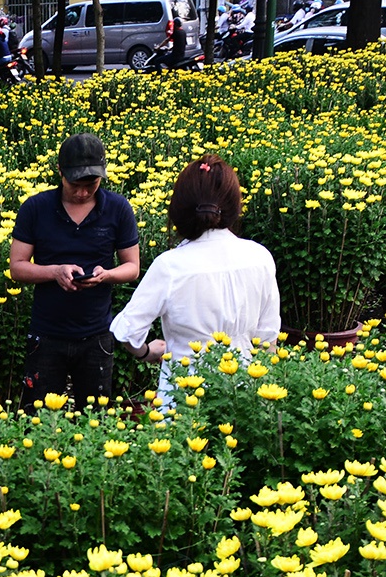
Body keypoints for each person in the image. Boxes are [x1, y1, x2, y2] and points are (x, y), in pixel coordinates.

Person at [110, 157, 280, 407]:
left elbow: (127, 331)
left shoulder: (170, 266)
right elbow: (269, 338)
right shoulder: (260, 257)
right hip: (244, 397)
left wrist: (146, 352)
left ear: (179, 207)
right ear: (234, 205)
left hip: (183, 400)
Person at [8, 133, 143, 406]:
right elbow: (17, 268)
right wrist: (55, 272)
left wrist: (106, 275)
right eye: (75, 185)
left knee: (95, 417)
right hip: (47, 334)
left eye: (91, 185)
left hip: (97, 334)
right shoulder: (36, 208)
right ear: (60, 171)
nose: (82, 192)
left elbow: (132, 267)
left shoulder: (118, 208)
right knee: (38, 418)